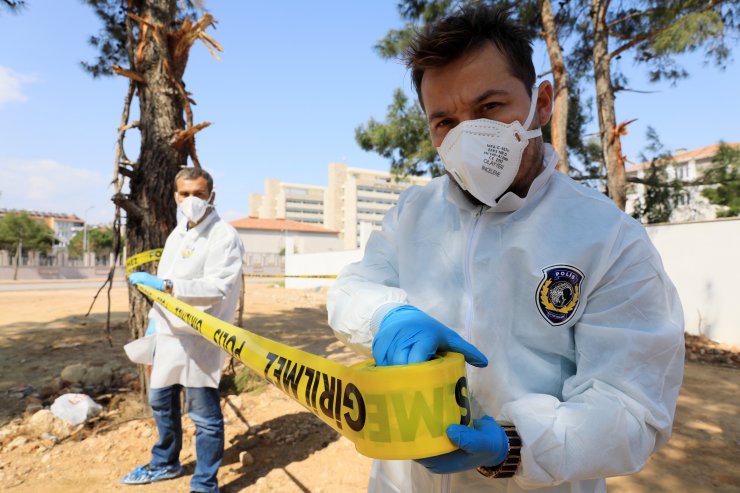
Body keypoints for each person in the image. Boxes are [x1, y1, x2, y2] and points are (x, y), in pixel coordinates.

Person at [327, 5, 684, 493]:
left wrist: (516, 445)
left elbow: (631, 408)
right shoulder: (413, 213)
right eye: (445, 122)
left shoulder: (609, 239)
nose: (467, 137)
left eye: (490, 108)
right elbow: (354, 288)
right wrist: (385, 317)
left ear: (540, 104)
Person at [122, 167, 244, 493]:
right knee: (161, 401)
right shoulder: (178, 233)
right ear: (175, 196)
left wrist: (167, 284)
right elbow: (165, 285)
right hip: (166, 332)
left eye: (199, 194)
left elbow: (217, 287)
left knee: (203, 414)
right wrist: (153, 318)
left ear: (212, 196)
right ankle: (165, 462)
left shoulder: (223, 236)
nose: (191, 201)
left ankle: (204, 484)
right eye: (185, 194)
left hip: (199, 339)